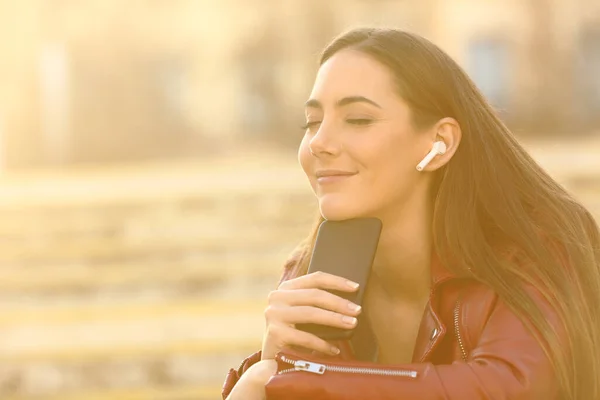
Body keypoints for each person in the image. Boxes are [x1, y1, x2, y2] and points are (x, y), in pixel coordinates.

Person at [221, 27, 600, 400]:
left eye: (358, 119)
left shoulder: (534, 248)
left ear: (440, 142)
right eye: (312, 122)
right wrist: (273, 361)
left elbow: (514, 387)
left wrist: (288, 380)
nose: (319, 142)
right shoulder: (310, 276)